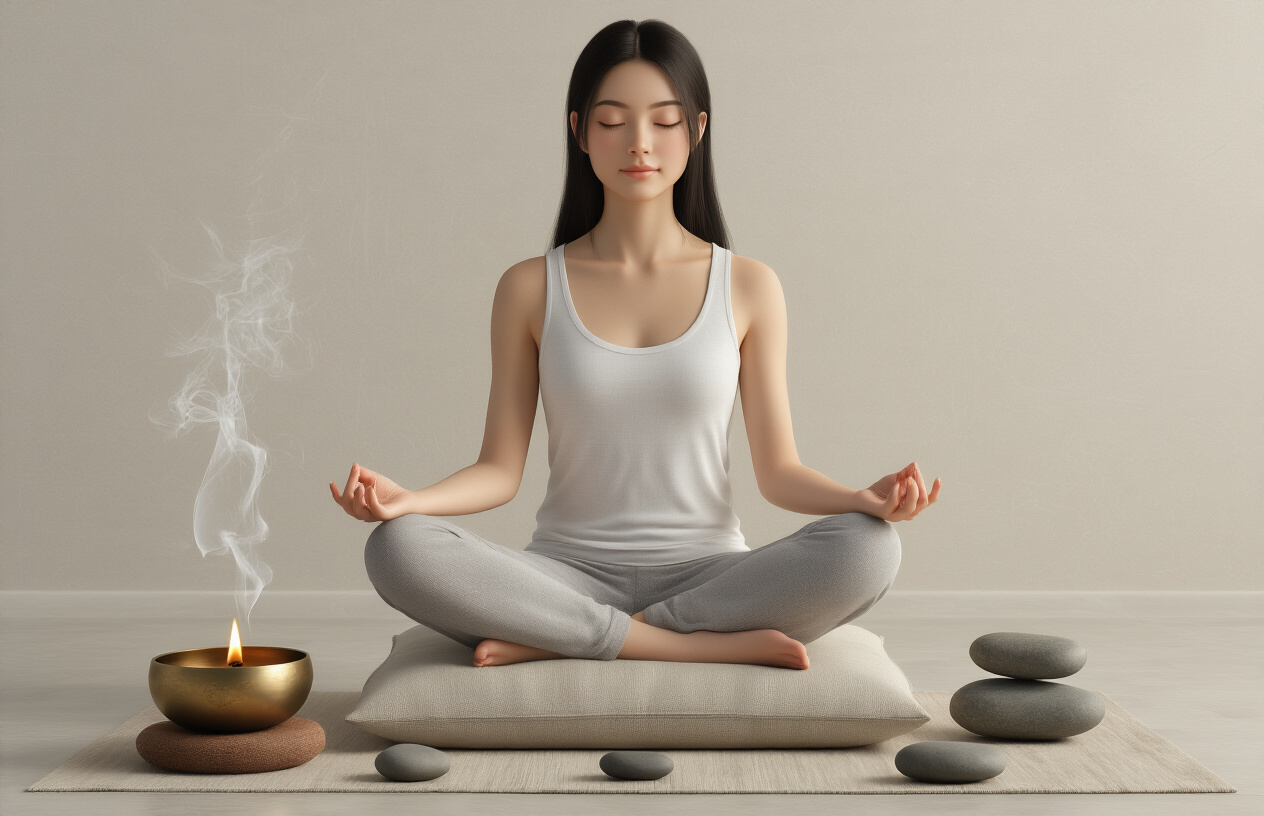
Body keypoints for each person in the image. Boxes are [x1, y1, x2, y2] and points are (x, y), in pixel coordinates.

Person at [330, 19, 940, 671]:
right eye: (613, 121)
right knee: (397, 548)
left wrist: (860, 501)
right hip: (564, 576)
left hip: (711, 579)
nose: (639, 143)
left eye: (664, 120)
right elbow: (499, 471)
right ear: (580, 131)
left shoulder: (748, 286)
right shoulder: (529, 287)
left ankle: (572, 637)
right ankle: (681, 645)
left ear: (697, 130)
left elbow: (779, 473)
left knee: (871, 548)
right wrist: (410, 502)